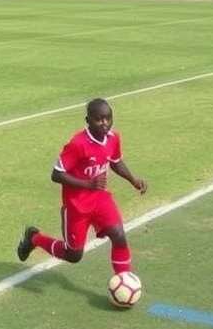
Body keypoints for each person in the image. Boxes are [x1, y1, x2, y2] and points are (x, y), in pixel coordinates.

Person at [17, 98, 148, 276]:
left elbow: (116, 162)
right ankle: (34, 238)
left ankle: (124, 279)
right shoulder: (77, 144)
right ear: (88, 121)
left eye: (108, 118)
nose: (105, 123)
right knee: (73, 255)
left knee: (118, 234)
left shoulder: (113, 138)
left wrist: (133, 180)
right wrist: (88, 184)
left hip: (100, 198)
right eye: (99, 119)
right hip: (76, 206)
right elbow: (56, 174)